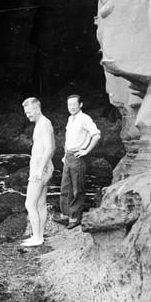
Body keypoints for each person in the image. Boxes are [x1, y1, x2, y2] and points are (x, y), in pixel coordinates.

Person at [58, 94, 101, 230]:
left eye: (74, 104)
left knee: (77, 188)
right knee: (65, 187)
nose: (71, 107)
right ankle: (65, 215)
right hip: (69, 156)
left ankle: (75, 218)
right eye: (69, 105)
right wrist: (65, 156)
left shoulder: (85, 118)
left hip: (78, 156)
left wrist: (86, 151)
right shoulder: (70, 119)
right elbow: (68, 140)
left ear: (80, 104)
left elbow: (96, 135)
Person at [21, 97, 56, 247]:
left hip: (39, 167)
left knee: (30, 204)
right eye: (25, 112)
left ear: (37, 109)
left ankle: (37, 238)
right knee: (41, 203)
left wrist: (40, 169)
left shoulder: (43, 124)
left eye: (29, 112)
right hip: (43, 165)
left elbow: (50, 148)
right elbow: (51, 147)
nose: (27, 115)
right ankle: (39, 236)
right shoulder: (42, 123)